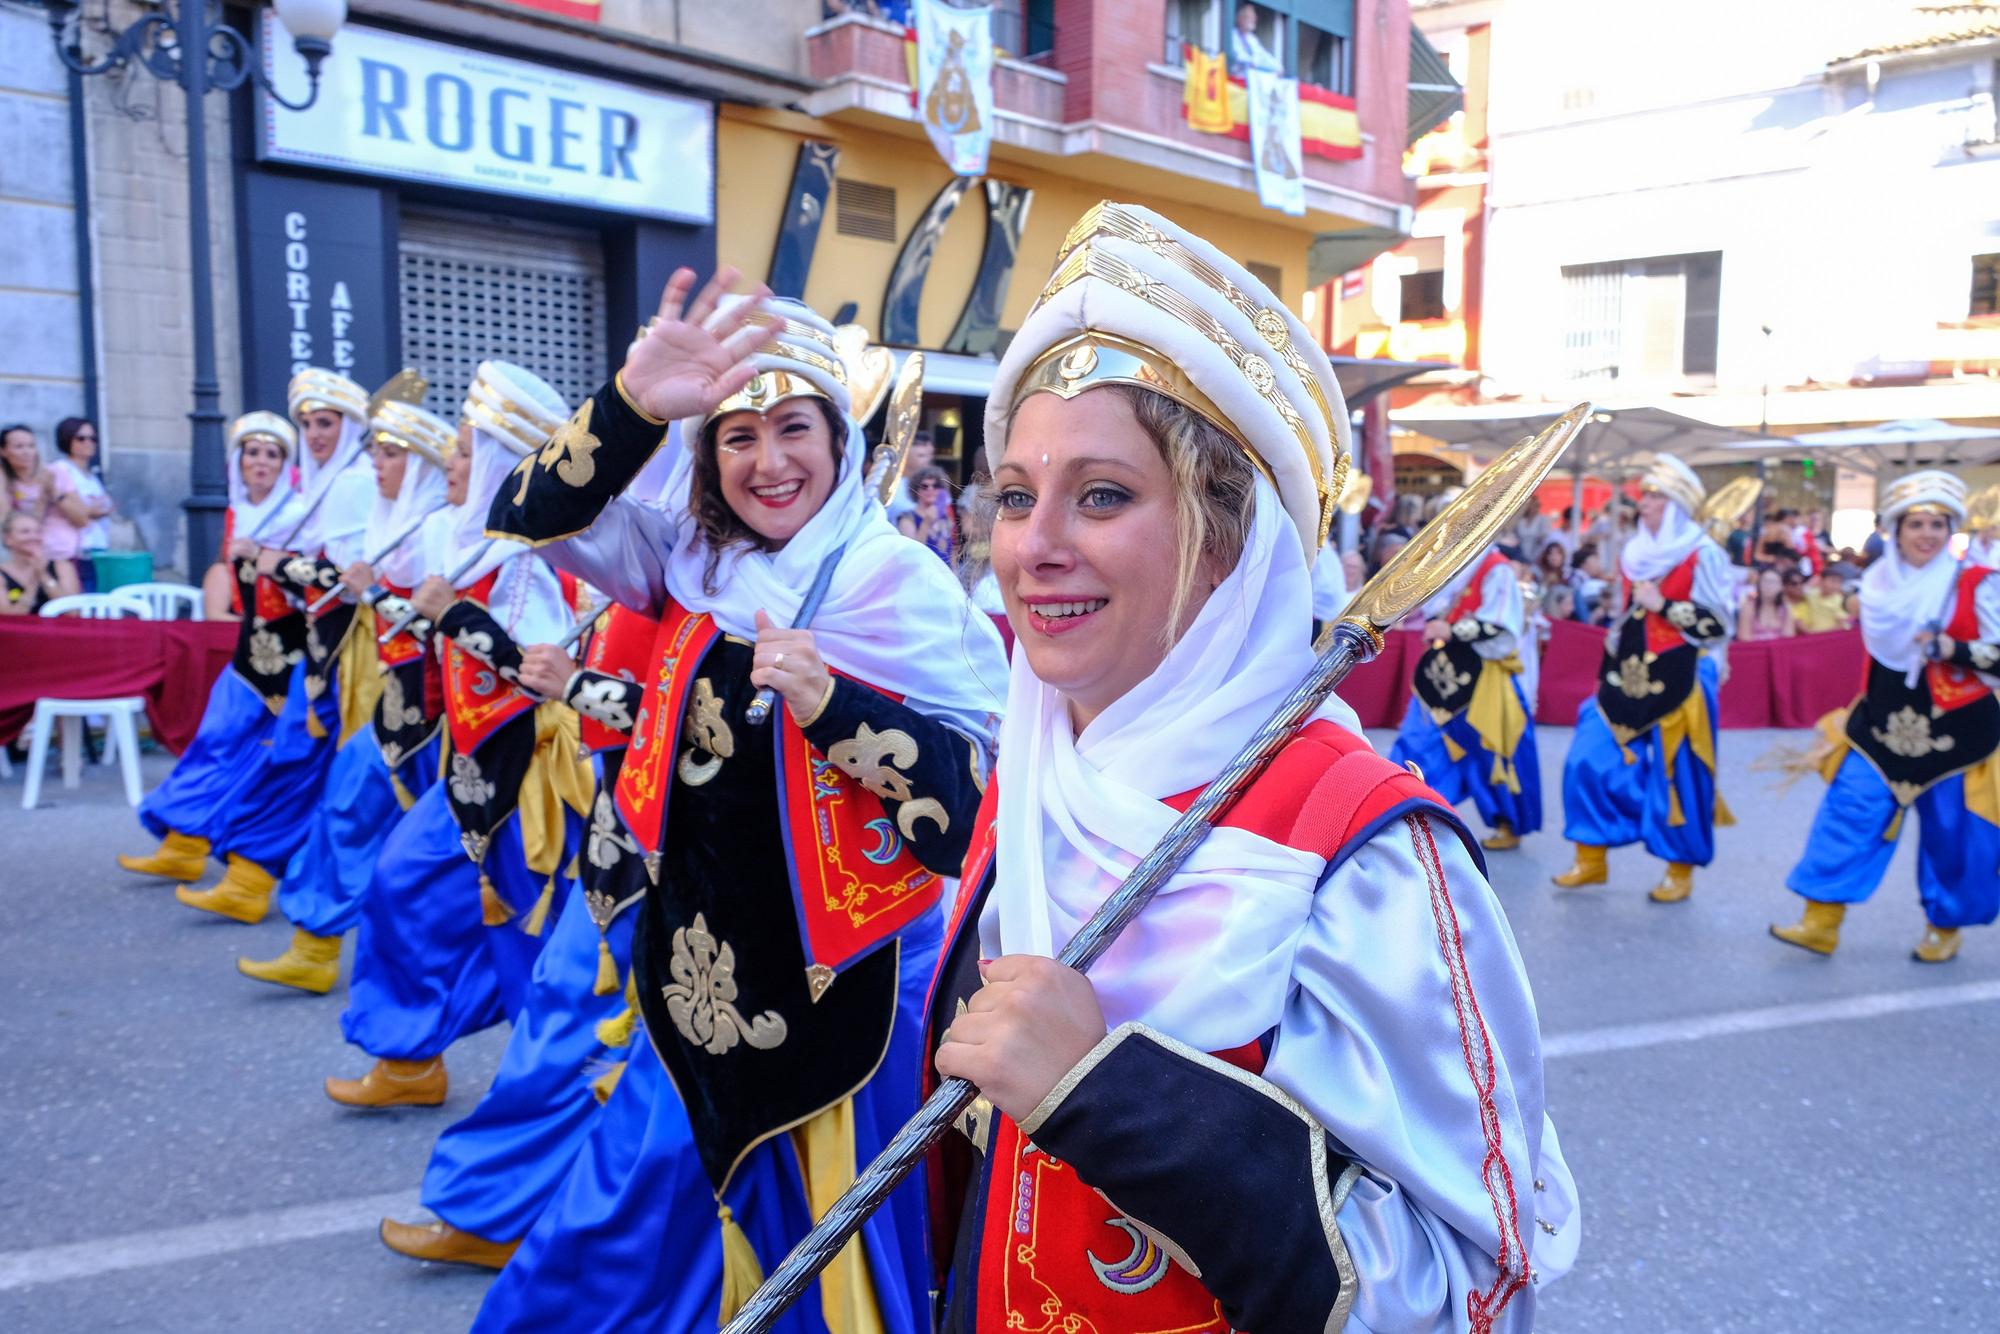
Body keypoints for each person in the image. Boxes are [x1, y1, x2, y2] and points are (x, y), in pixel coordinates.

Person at [914, 200, 1574, 1332]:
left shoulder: (1358, 845)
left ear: (1231, 534)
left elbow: (1468, 1283)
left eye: (1103, 493)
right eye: (1015, 494)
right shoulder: (1028, 772)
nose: (1032, 544)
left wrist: (1112, 1096)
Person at [470, 287, 1006, 1331]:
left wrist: (831, 705)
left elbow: (973, 800)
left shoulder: (895, 584)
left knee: (820, 1247)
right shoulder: (685, 557)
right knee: (627, 1204)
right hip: (691, 966)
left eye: (793, 427)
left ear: (839, 439)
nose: (768, 461)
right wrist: (632, 400)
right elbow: (524, 513)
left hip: (836, 985)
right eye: (738, 435)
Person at [327, 361, 591, 1110]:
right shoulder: (468, 541)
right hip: (467, 771)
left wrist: (452, 616)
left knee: (531, 948)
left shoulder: (535, 560)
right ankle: (411, 1059)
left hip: (529, 784)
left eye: (469, 452)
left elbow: (539, 668)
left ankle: (555, 1111)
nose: (452, 460)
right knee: (401, 886)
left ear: (505, 464)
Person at [233, 399, 455, 994]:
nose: (376, 465)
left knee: (440, 860)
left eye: (390, 455)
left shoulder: (438, 526)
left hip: (446, 715)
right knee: (351, 805)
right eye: (377, 451)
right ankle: (317, 947)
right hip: (402, 698)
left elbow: (452, 626)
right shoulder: (398, 520)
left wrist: (374, 594)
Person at [173, 369, 377, 923]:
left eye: (326, 423)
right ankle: (251, 880)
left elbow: (354, 576)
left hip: (353, 654)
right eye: (307, 424)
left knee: (329, 776)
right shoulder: (320, 486)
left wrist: (279, 563)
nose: (313, 434)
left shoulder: (356, 483)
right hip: (321, 649)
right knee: (299, 763)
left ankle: (272, 889)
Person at [1771, 471, 1999, 962]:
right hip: (1878, 728)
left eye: (1938, 524)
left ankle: (1945, 926)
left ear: (1950, 530)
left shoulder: (1979, 583)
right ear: (1895, 529)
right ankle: (1821, 921)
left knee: (1952, 839)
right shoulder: (1875, 584)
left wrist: (1953, 648)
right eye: (1916, 523)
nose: (1926, 534)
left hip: (1957, 735)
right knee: (1846, 817)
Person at [117, 413, 308, 881]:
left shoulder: (298, 514)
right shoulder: (236, 512)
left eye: (271, 454)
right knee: (217, 744)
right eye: (253, 452)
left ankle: (245, 863)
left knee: (259, 756)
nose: (260, 462)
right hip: (250, 655)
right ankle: (185, 842)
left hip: (291, 658)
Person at [1553, 455, 1735, 903]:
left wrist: (1665, 607)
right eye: (1645, 494)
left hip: (1685, 672)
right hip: (1628, 669)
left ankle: (1680, 868)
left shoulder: (1705, 553)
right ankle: (1591, 857)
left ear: (1674, 504)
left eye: (1654, 495)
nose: (1645, 502)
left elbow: (1718, 624)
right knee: (1587, 757)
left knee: (1681, 776)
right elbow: (1630, 613)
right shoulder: (1635, 551)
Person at [1388, 540, 1542, 851]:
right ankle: (1399, 814)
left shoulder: (1496, 569)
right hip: (1441, 678)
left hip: (1483, 679)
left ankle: (1507, 821)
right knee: (1417, 742)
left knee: (1492, 752)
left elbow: (1500, 624)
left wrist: (1451, 630)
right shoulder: (1450, 562)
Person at [44, 417, 113, 589]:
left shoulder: (91, 475)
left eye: (92, 438)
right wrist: (92, 510)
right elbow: (75, 510)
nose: (88, 443)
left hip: (96, 546)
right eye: (81, 438)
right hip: (74, 548)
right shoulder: (60, 469)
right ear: (67, 439)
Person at [0, 510, 64, 613]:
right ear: (8, 539)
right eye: (25, 532)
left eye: (38, 531)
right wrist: (34, 580)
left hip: (57, 628)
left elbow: (72, 612)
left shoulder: (61, 566)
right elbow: (7, 617)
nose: (34, 537)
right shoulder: (2, 574)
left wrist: (44, 575)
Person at [895, 463, 957, 560]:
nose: (930, 489)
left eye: (936, 486)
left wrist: (954, 572)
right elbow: (913, 554)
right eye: (925, 486)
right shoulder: (907, 518)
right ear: (916, 490)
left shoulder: (945, 517)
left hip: (945, 572)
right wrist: (926, 522)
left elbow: (952, 550)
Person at [1737, 566, 1795, 642]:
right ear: (1759, 584)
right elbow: (1744, 638)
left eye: (1774, 582)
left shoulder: (1784, 608)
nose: (1769, 586)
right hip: (1755, 651)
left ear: (1781, 587)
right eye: (1766, 581)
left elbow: (1789, 638)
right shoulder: (1748, 607)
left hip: (1778, 651)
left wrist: (1788, 608)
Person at [1228, 1, 1282, 72]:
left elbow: (1264, 56)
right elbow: (1238, 57)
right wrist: (1252, 63)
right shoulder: (1232, 35)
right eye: (1249, 17)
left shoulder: (1252, 39)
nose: (1253, 20)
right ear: (1239, 18)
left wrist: (1277, 66)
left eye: (1254, 17)